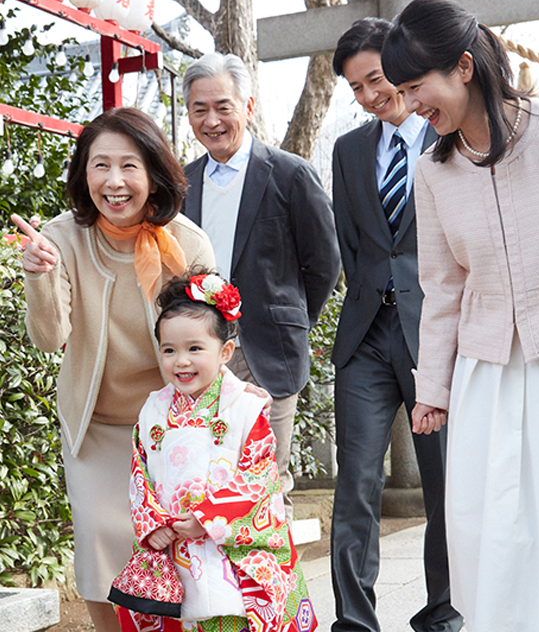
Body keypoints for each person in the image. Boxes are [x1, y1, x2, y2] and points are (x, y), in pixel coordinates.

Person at [380, 0, 539, 632]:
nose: (413, 105)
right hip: (486, 369)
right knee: (491, 526)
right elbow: (441, 289)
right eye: (405, 91)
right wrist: (431, 389)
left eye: (417, 88)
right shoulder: (431, 170)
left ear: (464, 66)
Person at [10, 107, 217, 632]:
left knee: (173, 548)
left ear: (153, 173)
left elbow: (211, 340)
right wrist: (39, 275)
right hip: (98, 426)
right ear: (84, 175)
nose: (115, 181)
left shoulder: (186, 244)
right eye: (100, 165)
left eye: (129, 165)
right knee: (102, 543)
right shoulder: (59, 238)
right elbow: (49, 337)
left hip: (170, 431)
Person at [330, 18, 462, 632]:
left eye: (375, 79)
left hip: (434, 333)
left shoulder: (451, 140)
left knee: (443, 486)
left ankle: (442, 613)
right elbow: (350, 246)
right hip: (364, 337)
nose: (369, 96)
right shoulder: (349, 150)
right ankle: (355, 621)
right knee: (354, 484)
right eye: (356, 88)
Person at [181, 52, 341, 522]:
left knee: (267, 483)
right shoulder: (183, 183)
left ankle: (278, 595)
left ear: (247, 106)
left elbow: (324, 263)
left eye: (223, 107)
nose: (212, 121)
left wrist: (290, 320)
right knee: (206, 484)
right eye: (199, 109)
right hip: (202, 350)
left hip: (268, 353)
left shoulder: (290, 174)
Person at [112, 268, 317, 632]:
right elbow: (139, 473)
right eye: (169, 350)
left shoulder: (245, 407)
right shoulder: (153, 410)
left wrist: (208, 519)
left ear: (225, 351)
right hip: (173, 541)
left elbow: (258, 477)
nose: (182, 361)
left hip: (228, 544)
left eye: (195, 348)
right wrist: (153, 525)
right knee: (179, 616)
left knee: (231, 616)